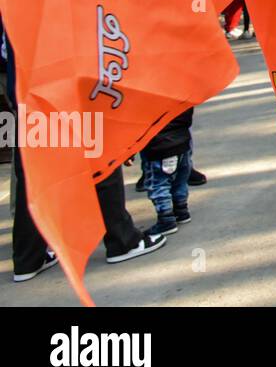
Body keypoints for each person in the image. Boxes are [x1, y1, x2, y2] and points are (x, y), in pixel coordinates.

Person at [4, 25, 166, 281]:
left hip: (25, 82)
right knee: (99, 154)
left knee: (33, 170)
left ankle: (28, 258)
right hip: (65, 74)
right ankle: (122, 239)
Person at [140, 107, 195, 237]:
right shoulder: (177, 91)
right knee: (180, 181)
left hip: (158, 146)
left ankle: (166, 219)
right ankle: (181, 210)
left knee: (159, 184)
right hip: (182, 141)